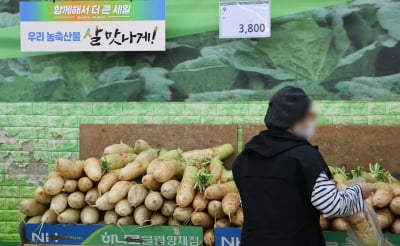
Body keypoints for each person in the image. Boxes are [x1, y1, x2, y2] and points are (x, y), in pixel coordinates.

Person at [232, 86, 376, 246]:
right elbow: (331, 205)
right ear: (297, 120)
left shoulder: (244, 158)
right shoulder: (305, 157)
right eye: (308, 116)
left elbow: (247, 204)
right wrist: (359, 191)